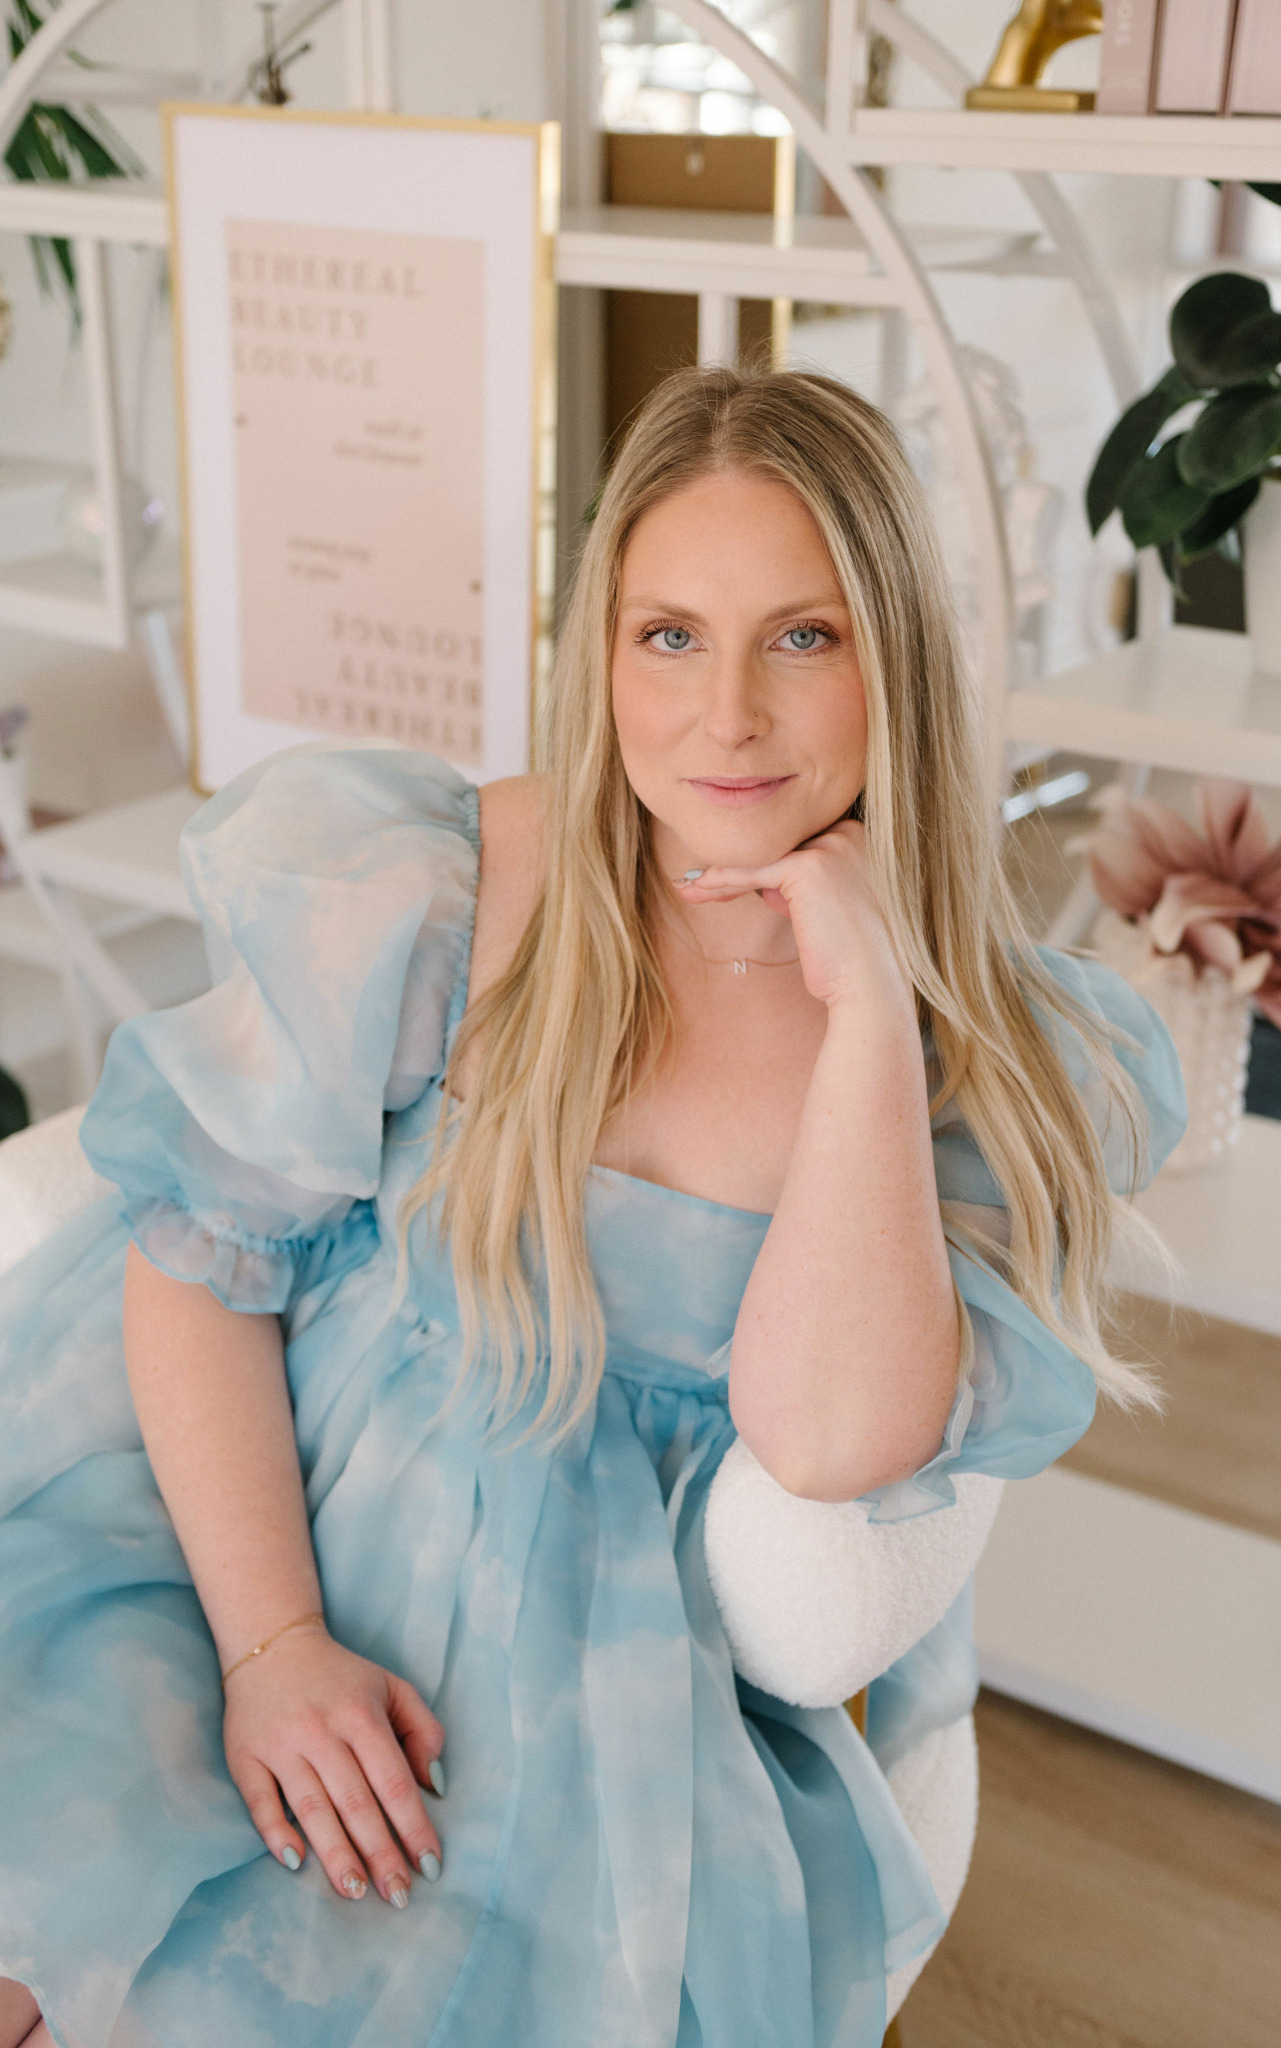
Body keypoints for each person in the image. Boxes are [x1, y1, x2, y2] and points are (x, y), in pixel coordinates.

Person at [0, 366, 1183, 2048]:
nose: (727, 718)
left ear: (900, 657)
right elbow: (201, 1261)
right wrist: (272, 1647)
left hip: (575, 1696)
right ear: (604, 655)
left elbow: (830, 1440)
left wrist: (867, 1010)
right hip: (239, 1531)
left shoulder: (983, 1053)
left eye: (805, 636)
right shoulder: (462, 884)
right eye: (670, 636)